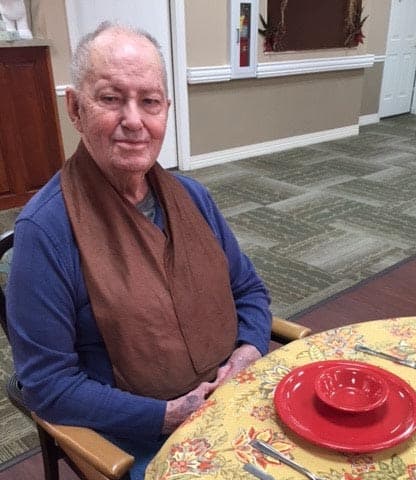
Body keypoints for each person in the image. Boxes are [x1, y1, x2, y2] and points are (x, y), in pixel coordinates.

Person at [6, 22, 271, 479]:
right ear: (76, 108)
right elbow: (45, 385)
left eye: (149, 102)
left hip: (231, 396)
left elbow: (248, 290)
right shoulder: (45, 231)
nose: (134, 120)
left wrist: (247, 353)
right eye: (111, 98)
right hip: (135, 434)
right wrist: (166, 415)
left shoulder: (192, 198)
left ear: (166, 111)